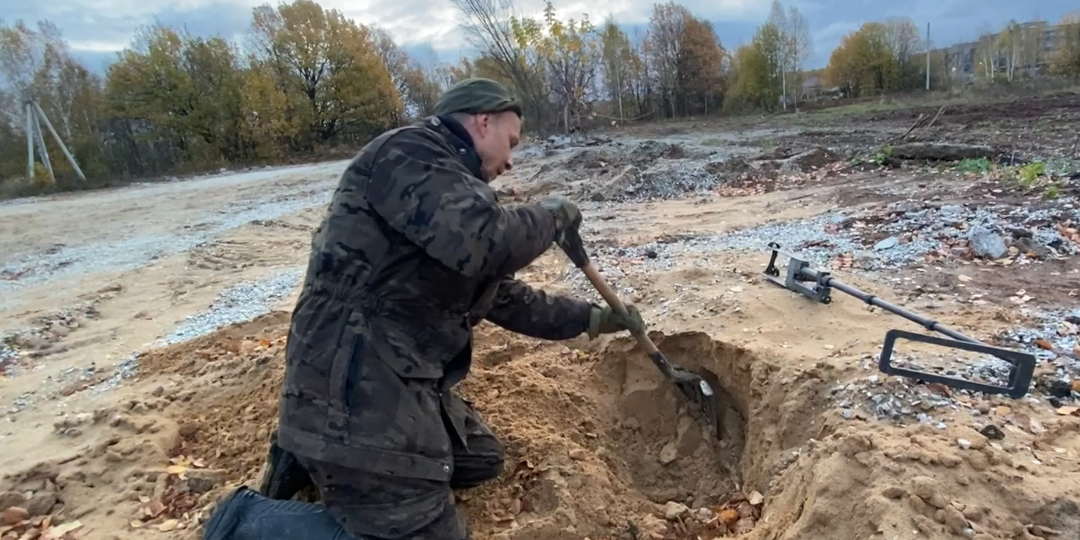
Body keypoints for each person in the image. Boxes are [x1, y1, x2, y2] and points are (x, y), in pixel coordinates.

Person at [201, 78, 645, 540]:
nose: (511, 161)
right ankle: (245, 523)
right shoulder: (408, 154)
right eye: (510, 143)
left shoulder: (453, 194)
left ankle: (319, 463)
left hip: (396, 373)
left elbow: (502, 295)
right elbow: (487, 244)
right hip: (350, 383)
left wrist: (591, 319)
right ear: (482, 121)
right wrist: (550, 217)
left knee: (480, 457)